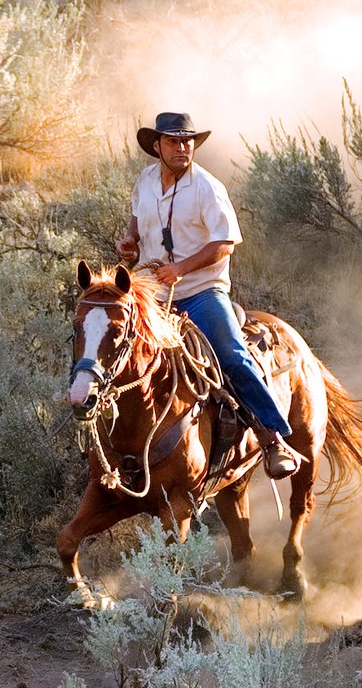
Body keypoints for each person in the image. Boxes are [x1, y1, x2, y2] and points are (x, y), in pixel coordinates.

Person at [116, 112, 299, 480]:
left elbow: (224, 244)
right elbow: (138, 216)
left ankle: (273, 437)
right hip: (152, 289)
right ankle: (103, 429)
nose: (182, 147)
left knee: (231, 355)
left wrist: (180, 269)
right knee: (110, 338)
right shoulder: (146, 180)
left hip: (200, 291)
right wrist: (131, 242)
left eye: (187, 141)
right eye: (173, 141)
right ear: (157, 146)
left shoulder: (207, 187)